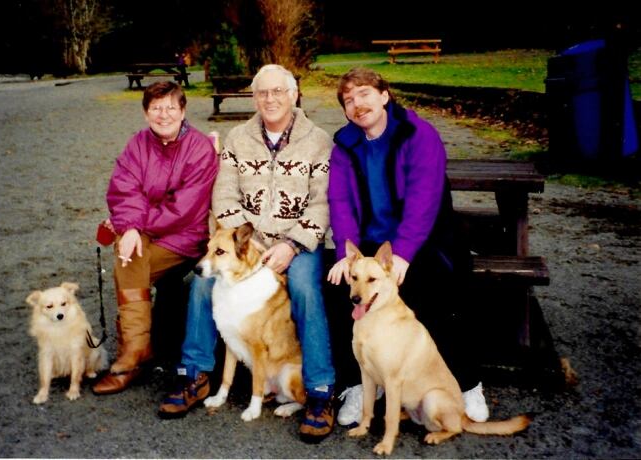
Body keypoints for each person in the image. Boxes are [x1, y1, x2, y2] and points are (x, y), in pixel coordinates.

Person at [158, 64, 337, 443]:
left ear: (294, 95)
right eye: (262, 93)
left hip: (296, 244)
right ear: (254, 97)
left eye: (278, 91)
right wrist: (247, 243)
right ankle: (195, 374)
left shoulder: (318, 140)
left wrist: (290, 245)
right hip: (245, 241)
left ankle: (320, 389)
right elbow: (223, 195)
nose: (270, 99)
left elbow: (322, 204)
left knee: (305, 288)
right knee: (203, 286)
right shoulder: (239, 138)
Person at [326, 67, 490, 427]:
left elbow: (424, 197)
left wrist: (402, 254)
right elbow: (340, 204)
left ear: (385, 96)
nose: (357, 104)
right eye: (349, 100)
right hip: (370, 244)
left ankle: (466, 383)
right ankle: (360, 384)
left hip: (427, 236)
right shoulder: (344, 147)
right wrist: (346, 256)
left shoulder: (419, 134)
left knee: (433, 284)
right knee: (341, 286)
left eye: (364, 94)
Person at [92, 81, 219, 395]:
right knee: (130, 254)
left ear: (183, 110)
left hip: (186, 237)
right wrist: (131, 227)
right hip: (144, 233)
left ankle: (132, 355)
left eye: (170, 107)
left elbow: (185, 209)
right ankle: (136, 350)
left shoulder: (200, 147)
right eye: (156, 108)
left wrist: (136, 225)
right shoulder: (137, 144)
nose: (164, 115)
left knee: (129, 259)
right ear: (146, 112)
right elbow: (124, 190)